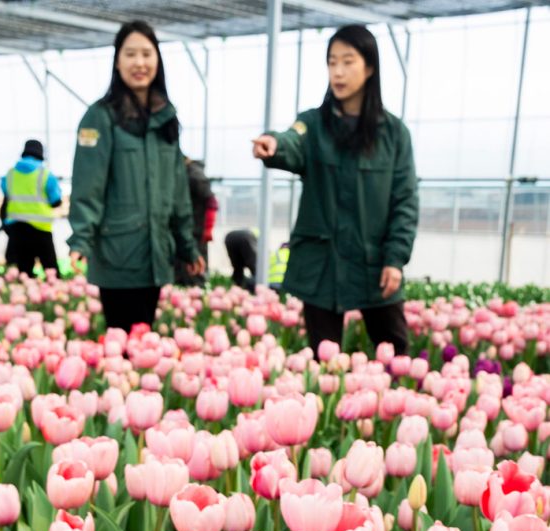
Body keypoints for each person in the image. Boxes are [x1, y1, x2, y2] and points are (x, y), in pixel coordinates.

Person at [253, 24, 418, 355]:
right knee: (322, 359)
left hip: (372, 264)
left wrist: (395, 258)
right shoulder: (314, 124)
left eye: (348, 61)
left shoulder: (393, 134)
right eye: (332, 62)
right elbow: (291, 141)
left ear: (369, 67)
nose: (338, 72)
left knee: (396, 354)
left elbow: (405, 201)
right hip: (322, 265)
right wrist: (274, 144)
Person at [67, 20, 204, 333]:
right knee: (123, 348)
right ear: (117, 61)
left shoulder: (165, 117)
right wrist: (81, 240)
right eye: (130, 54)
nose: (139, 63)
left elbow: (178, 191)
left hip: (155, 255)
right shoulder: (100, 116)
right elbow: (89, 185)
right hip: (118, 256)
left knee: (145, 342)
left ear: (158, 60)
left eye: (147, 54)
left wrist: (187, 246)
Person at [0, 139, 62, 276]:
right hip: (40, 229)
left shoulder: (10, 175)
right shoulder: (46, 175)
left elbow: (6, 196)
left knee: (23, 273)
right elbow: (56, 201)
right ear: (41, 154)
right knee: (51, 271)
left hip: (17, 229)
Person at [175, 157, 217, 285]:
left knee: (195, 269)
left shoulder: (195, 175)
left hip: (197, 231)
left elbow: (212, 202)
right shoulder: (186, 173)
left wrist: (208, 229)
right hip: (188, 229)